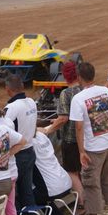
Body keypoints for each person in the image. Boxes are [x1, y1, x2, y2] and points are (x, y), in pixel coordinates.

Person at [70, 62, 108, 215]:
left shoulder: (78, 99)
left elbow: (78, 128)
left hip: (93, 148)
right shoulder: (106, 91)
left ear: (79, 77)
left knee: (91, 183)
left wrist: (81, 151)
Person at [4, 75, 40, 215]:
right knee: (27, 192)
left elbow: (5, 132)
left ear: (8, 89)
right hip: (30, 150)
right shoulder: (31, 102)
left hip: (18, 154)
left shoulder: (11, 108)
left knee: (16, 196)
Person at [41, 60, 84, 197]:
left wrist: (48, 129)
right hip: (85, 137)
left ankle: (83, 205)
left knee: (72, 172)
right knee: (82, 171)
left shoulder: (66, 93)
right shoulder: (84, 90)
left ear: (65, 75)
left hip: (71, 140)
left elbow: (64, 118)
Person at [31, 129, 74, 215]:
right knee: (37, 188)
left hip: (52, 189)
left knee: (26, 193)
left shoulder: (30, 143)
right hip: (65, 181)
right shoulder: (41, 135)